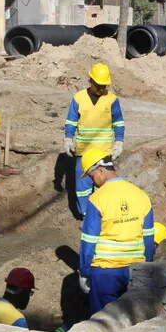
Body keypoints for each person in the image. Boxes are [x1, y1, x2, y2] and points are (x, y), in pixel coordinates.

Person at [77, 148, 154, 314]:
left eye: (91, 176)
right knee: (131, 318)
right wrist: (146, 267)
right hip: (135, 269)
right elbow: (148, 238)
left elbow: (89, 240)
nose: (92, 182)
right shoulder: (141, 195)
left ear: (101, 170)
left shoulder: (97, 198)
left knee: (103, 322)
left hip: (106, 272)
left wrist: (85, 271)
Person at [63, 63, 125, 217]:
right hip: (84, 151)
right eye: (99, 85)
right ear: (90, 81)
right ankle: (85, 214)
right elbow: (71, 121)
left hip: (103, 151)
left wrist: (119, 141)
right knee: (82, 185)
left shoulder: (111, 100)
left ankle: (102, 213)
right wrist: (68, 139)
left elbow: (118, 122)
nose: (102, 89)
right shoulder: (78, 98)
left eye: (104, 86)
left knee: (103, 184)